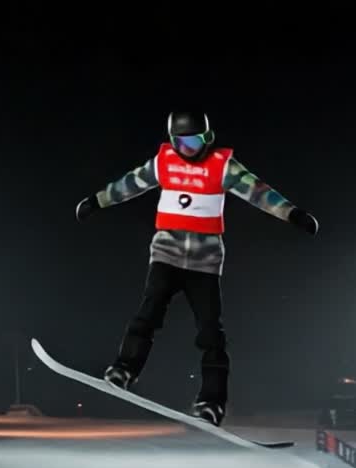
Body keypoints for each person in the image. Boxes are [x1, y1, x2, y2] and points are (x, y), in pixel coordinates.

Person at [74, 111, 319, 427]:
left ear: (208, 138)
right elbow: (129, 184)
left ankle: (212, 402)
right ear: (172, 141)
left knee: (210, 332)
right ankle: (125, 368)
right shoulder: (164, 163)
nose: (188, 150)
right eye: (181, 143)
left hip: (205, 263)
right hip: (166, 254)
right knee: (149, 311)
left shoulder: (222, 166)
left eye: (195, 142)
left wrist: (293, 214)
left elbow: (258, 192)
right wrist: (96, 201)